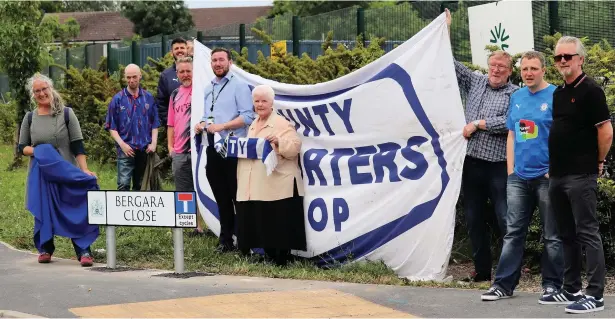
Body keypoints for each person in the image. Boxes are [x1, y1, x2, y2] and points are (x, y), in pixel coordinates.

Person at [481, 51, 563, 301]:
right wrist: (510, 170)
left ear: (544, 70)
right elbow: (513, 134)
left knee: (552, 235)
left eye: (533, 69)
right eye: (525, 69)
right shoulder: (516, 97)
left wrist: (557, 168)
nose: (528, 73)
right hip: (518, 177)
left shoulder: (557, 95)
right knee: (513, 232)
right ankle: (503, 285)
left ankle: (552, 286)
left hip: (547, 177)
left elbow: (566, 135)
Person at [445, 8, 519, 283]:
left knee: (504, 218)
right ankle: (481, 271)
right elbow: (450, 63)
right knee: (474, 219)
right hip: (471, 163)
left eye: (502, 67)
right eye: (493, 66)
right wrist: (446, 30)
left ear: (510, 72)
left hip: (499, 166)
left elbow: (509, 122)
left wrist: (478, 124)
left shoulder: (516, 93)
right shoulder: (476, 82)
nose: (496, 70)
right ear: (487, 67)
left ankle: (510, 270)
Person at [541, 36, 613, 314]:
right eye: (558, 57)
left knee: (588, 233)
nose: (562, 62)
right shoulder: (559, 93)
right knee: (566, 234)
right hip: (557, 175)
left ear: (580, 59)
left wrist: (598, 161)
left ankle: (595, 295)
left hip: (581, 175)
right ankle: (571, 288)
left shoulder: (591, 91)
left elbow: (605, 131)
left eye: (567, 57)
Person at [18, 73, 98, 267]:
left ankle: (84, 250)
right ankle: (45, 248)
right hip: (41, 173)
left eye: (44, 89)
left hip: (66, 170)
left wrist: (84, 170)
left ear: (51, 88)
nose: (41, 93)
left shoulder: (67, 114)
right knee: (44, 209)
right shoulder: (30, 118)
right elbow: (22, 147)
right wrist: (39, 151)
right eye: (37, 91)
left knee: (74, 207)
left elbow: (78, 145)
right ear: (33, 95)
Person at [235, 85, 307, 265]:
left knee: (278, 223)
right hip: (261, 184)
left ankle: (281, 259)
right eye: (257, 101)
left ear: (271, 102)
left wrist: (279, 141)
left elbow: (295, 147)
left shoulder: (281, 123)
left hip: (279, 184)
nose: (260, 104)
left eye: (263, 101)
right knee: (264, 222)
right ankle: (269, 256)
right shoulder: (253, 124)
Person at [194, 47, 255, 252]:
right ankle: (226, 240)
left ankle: (246, 243)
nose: (217, 64)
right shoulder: (208, 88)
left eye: (221, 60)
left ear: (230, 62)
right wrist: (201, 123)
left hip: (233, 149)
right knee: (221, 197)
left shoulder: (240, 86)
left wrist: (223, 126)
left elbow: (247, 117)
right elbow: (209, 117)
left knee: (238, 197)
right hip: (213, 146)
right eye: (214, 60)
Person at [105, 64, 160, 191]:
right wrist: (122, 145)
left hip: (144, 150)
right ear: (124, 77)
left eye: (134, 77)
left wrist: (154, 143)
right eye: (128, 77)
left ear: (140, 76)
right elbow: (111, 127)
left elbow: (155, 124)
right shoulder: (117, 99)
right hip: (125, 150)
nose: (131, 80)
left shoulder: (149, 98)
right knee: (123, 185)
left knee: (141, 187)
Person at [167, 56, 204, 235]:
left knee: (205, 187)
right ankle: (190, 225)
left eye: (188, 71)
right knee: (183, 190)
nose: (185, 74)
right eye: (181, 71)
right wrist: (170, 147)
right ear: (177, 74)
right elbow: (171, 124)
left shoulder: (202, 91)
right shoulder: (174, 95)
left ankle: (211, 224)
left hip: (200, 149)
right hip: (180, 151)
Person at [157, 37, 187, 125]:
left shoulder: (196, 71)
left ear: (187, 50)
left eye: (182, 48)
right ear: (171, 53)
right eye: (176, 48)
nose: (179, 50)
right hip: (174, 126)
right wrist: (169, 123)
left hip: (195, 126)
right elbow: (161, 102)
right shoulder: (166, 75)